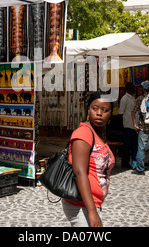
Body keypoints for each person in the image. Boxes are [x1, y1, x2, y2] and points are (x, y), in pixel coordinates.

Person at [62, 92, 115, 227]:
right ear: (88, 110)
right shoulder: (83, 133)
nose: (99, 113)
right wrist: (92, 211)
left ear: (110, 114)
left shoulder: (99, 134)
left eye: (104, 110)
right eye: (95, 108)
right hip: (81, 205)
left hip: (92, 203)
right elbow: (79, 172)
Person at [118, 82, 138, 169]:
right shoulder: (125, 99)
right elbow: (120, 112)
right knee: (127, 146)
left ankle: (134, 162)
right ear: (128, 88)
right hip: (128, 125)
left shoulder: (133, 98)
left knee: (134, 145)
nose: (135, 89)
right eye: (133, 88)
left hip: (135, 125)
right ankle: (125, 162)